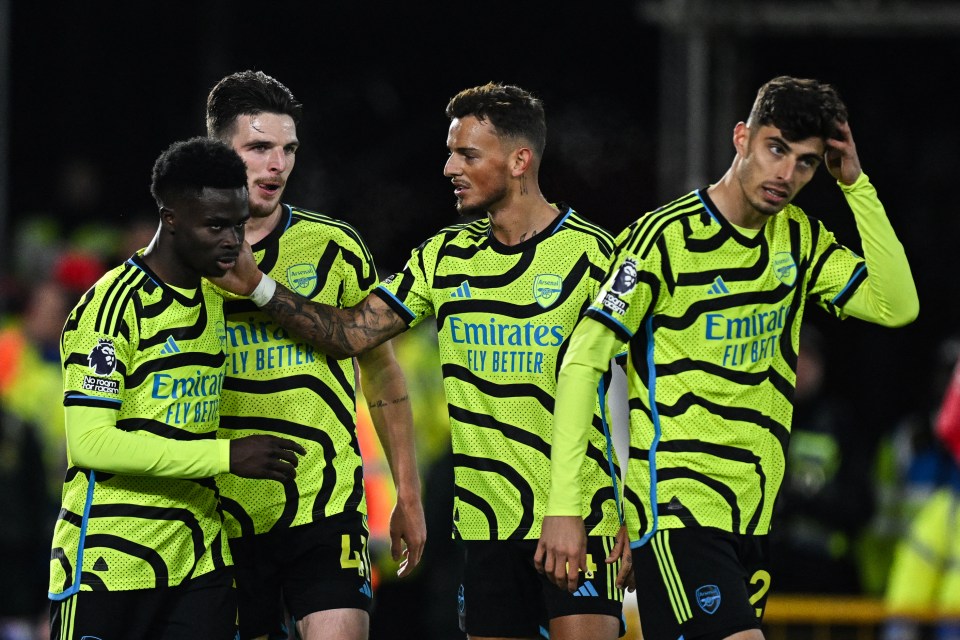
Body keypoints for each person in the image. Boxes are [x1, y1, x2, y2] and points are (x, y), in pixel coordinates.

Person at [214, 81, 633, 640]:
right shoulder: (444, 256)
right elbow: (350, 334)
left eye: (466, 155)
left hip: (582, 516)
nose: (448, 168)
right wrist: (262, 288)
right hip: (484, 526)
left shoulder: (595, 255)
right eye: (449, 152)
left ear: (519, 160)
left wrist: (635, 508)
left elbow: (643, 385)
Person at [536, 75, 919, 640]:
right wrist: (567, 504)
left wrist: (856, 186)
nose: (787, 175)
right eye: (776, 149)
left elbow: (896, 305)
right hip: (679, 514)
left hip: (753, 519)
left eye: (807, 163)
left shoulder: (800, 240)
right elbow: (582, 362)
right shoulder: (661, 240)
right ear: (741, 137)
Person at [48, 136, 306, 640]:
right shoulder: (112, 308)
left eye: (237, 223)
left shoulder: (217, 296)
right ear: (170, 219)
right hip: (110, 561)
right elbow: (90, 443)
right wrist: (225, 457)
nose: (233, 240)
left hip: (197, 559)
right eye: (215, 226)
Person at [204, 70, 425, 640]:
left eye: (288, 149)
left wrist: (408, 493)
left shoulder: (335, 247)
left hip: (324, 509)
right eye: (259, 148)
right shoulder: (181, 262)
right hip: (220, 515)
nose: (277, 165)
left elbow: (382, 372)